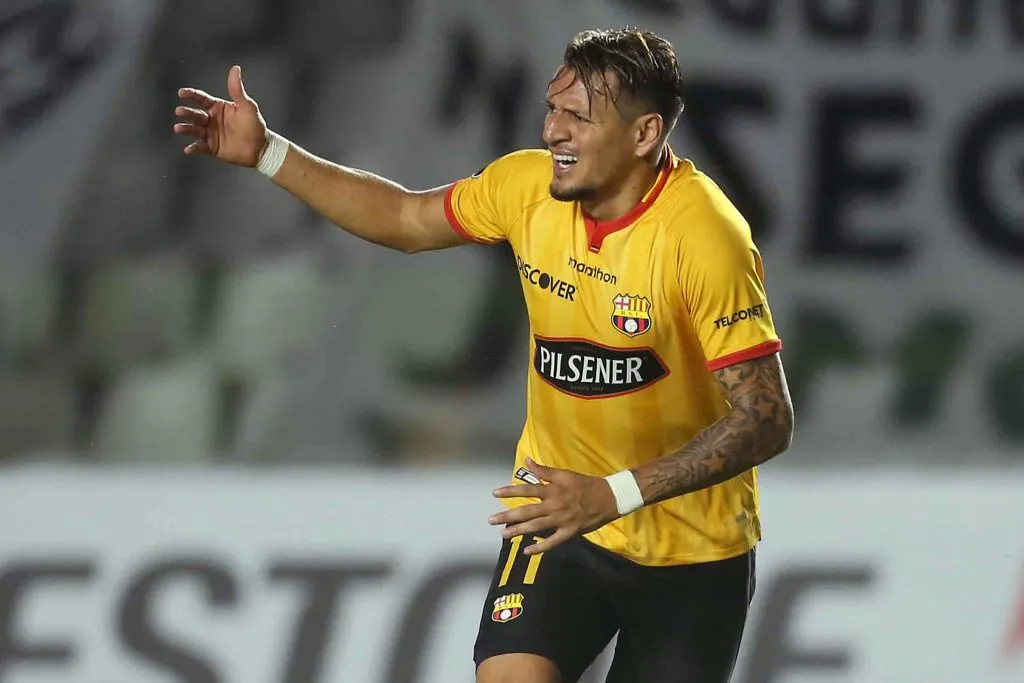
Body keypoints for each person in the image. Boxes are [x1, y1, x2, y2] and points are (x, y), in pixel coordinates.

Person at [174, 27, 794, 683]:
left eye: (578, 117)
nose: (553, 131)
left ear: (644, 134)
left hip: (692, 554)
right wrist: (268, 153)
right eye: (552, 108)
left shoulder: (704, 237)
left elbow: (766, 416)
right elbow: (406, 219)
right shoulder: (525, 187)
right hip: (559, 515)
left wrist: (613, 495)